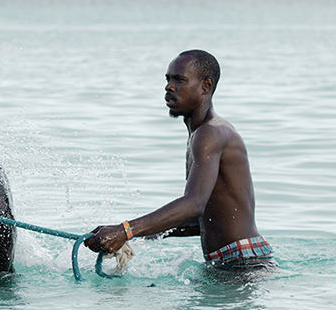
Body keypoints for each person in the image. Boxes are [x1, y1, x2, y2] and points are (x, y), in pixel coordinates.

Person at [84, 50, 273, 269]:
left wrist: (125, 230)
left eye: (180, 80)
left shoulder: (209, 134)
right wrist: (134, 234)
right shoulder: (203, 133)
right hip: (234, 261)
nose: (169, 87)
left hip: (241, 264)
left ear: (206, 86)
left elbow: (194, 204)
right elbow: (205, 218)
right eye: (168, 79)